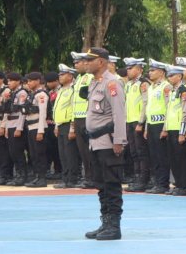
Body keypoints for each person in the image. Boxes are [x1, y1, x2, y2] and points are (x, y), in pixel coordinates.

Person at [82, 47, 127, 241]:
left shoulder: (112, 83)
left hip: (108, 142)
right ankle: (105, 222)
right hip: (96, 142)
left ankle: (114, 226)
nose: (86, 63)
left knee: (112, 184)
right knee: (101, 185)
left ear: (100, 62)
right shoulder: (95, 83)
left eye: (89, 60)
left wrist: (119, 140)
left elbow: (119, 114)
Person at [138, 59, 172, 194]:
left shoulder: (166, 86)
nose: (150, 73)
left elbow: (168, 108)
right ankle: (157, 182)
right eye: (150, 70)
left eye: (153, 70)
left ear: (161, 72)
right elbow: (149, 109)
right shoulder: (151, 87)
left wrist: (165, 128)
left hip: (160, 124)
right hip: (152, 124)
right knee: (154, 156)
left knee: (162, 156)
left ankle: (163, 184)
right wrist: (146, 127)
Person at [164, 65, 186, 196]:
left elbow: (185, 113)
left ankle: (184, 185)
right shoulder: (172, 91)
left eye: (172, 75)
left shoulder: (183, 91)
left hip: (178, 130)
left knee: (181, 159)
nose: (169, 78)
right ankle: (178, 184)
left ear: (179, 76)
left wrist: (182, 132)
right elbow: (169, 111)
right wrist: (165, 128)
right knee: (173, 159)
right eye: (168, 76)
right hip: (171, 128)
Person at [123, 57, 150, 192]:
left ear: (139, 69)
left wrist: (141, 122)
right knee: (133, 151)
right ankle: (137, 177)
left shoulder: (143, 83)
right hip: (129, 121)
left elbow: (146, 103)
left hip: (138, 122)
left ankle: (144, 179)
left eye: (130, 68)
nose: (128, 70)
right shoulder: (128, 84)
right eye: (127, 68)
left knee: (141, 151)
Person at [53, 64, 81, 189]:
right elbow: (57, 109)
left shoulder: (73, 89)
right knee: (63, 154)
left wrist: (72, 128)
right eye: (60, 75)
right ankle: (65, 178)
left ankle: (72, 179)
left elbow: (73, 109)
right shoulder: (61, 89)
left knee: (70, 154)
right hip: (60, 124)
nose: (60, 77)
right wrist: (56, 125)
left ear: (70, 76)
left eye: (63, 74)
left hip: (69, 124)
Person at [72, 51, 96, 189]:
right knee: (82, 151)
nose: (75, 65)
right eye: (74, 63)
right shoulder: (78, 79)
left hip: (87, 118)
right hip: (77, 118)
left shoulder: (91, 77)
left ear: (85, 63)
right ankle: (88, 177)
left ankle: (93, 177)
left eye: (78, 62)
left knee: (90, 150)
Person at [23, 72, 49, 187]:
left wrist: (40, 131)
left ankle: (42, 178)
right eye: (28, 81)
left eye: (31, 81)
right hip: (31, 127)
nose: (29, 83)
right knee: (33, 154)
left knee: (40, 154)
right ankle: (37, 176)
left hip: (38, 127)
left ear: (38, 81)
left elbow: (43, 113)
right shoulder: (31, 94)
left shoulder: (41, 95)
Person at [44, 72, 63, 180]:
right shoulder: (50, 92)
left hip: (58, 123)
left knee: (58, 149)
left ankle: (60, 170)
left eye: (50, 82)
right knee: (50, 148)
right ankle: (55, 170)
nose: (48, 84)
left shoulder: (61, 91)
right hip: (49, 124)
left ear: (56, 81)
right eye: (47, 82)